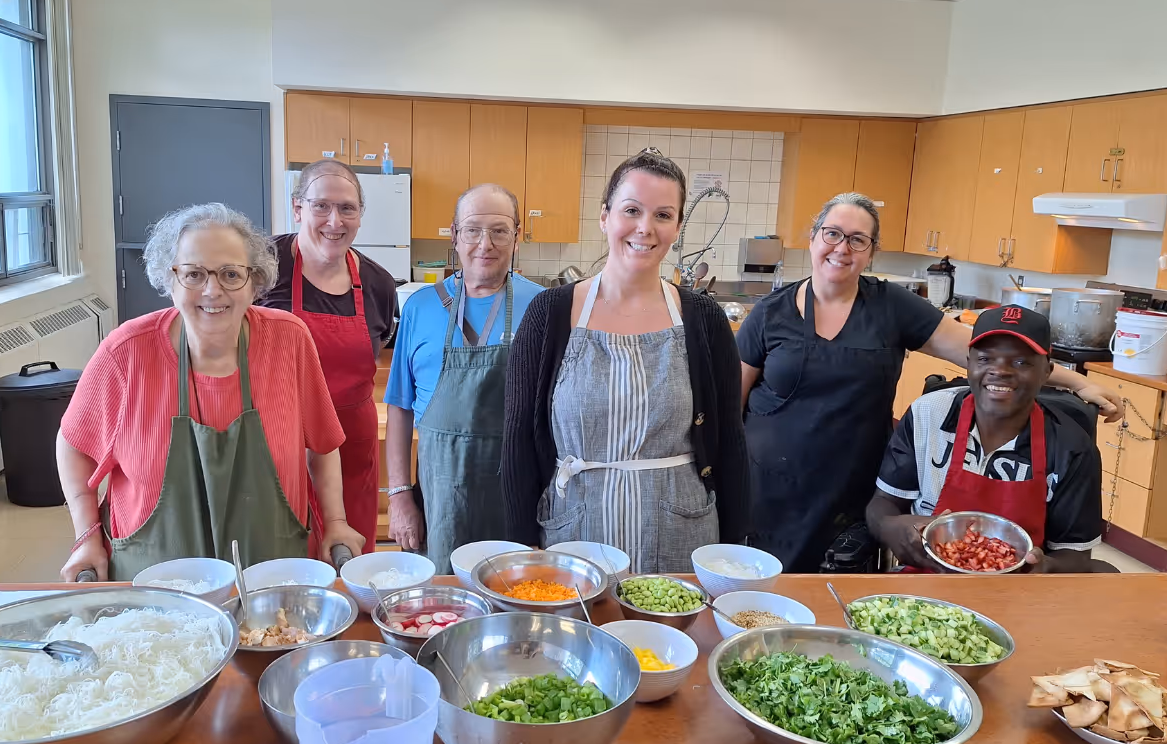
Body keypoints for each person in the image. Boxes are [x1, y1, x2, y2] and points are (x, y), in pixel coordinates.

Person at [738, 193, 1123, 574]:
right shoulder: (769, 315)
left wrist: (1078, 383)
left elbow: (984, 358)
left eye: (858, 239)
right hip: (771, 487)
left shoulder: (892, 306)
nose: (842, 248)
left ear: (871, 252)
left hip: (850, 489)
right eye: (832, 233)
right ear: (813, 237)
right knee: (762, 589)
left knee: (834, 594)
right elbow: (731, 403)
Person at [57, 203, 364, 582]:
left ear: (255, 282)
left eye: (231, 274)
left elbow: (322, 444)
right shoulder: (127, 353)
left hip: (272, 582)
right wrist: (86, 536)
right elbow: (73, 444)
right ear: (170, 280)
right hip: (156, 590)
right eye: (194, 274)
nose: (212, 290)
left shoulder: (289, 340)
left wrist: (335, 521)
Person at [503, 151, 749, 574]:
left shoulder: (704, 321)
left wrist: (735, 549)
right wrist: (521, 550)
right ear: (605, 216)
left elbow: (729, 438)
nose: (645, 228)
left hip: (681, 537)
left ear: (676, 227)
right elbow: (518, 441)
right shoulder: (549, 314)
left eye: (663, 215)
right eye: (631, 210)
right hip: (575, 532)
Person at [866, 305, 1105, 573]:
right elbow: (883, 503)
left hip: (1021, 593)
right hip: (924, 582)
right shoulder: (928, 414)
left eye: (1020, 362)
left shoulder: (1072, 448)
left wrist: (1043, 568)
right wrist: (891, 527)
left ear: (1046, 372)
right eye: (985, 359)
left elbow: (1076, 558)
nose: (999, 370)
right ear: (968, 363)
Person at [383, 184, 543, 572]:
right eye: (472, 229)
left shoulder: (543, 308)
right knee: (439, 606)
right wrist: (400, 495)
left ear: (517, 237)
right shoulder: (420, 308)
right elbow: (400, 410)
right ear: (454, 236)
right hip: (439, 499)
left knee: (514, 601)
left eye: (500, 230)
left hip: (516, 496)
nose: (484, 244)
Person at [262, 159, 398, 552]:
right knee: (284, 561)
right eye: (321, 206)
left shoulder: (378, 283)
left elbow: (380, 339)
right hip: (279, 445)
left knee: (351, 563)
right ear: (297, 207)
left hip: (351, 448)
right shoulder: (262, 267)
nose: (334, 221)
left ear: (360, 215)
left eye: (347, 208)